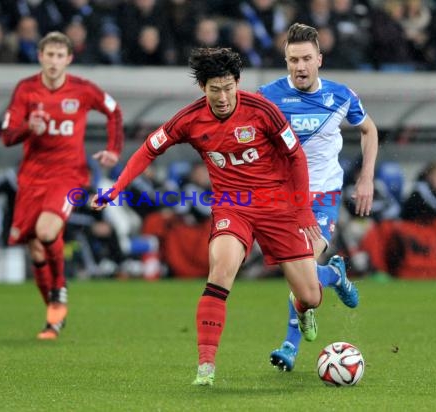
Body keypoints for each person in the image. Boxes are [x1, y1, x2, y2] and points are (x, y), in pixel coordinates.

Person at [91, 47, 322, 386]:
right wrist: (117, 188)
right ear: (203, 87)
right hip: (232, 206)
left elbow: (296, 155)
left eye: (229, 87)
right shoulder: (189, 118)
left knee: (310, 295)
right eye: (215, 89)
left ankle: (303, 309)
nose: (224, 96)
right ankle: (206, 367)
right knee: (221, 271)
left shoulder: (263, 111)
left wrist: (302, 209)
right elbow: (148, 149)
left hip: (277, 205)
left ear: (237, 83)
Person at [258, 23, 378, 372]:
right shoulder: (268, 96)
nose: (299, 66)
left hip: (322, 195)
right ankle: (336, 276)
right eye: (293, 59)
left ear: (319, 60)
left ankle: (289, 347)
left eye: (306, 58)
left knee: (303, 267)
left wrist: (366, 176)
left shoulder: (341, 96)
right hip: (282, 199)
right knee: (303, 276)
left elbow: (369, 129)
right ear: (286, 61)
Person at [0, 31, 124, 340]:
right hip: (31, 178)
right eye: (49, 55)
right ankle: (53, 317)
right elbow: (7, 136)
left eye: (60, 56)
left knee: (45, 232)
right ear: (40, 57)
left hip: (69, 174)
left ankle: (59, 290)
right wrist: (29, 127)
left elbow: (113, 110)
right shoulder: (26, 90)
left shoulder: (82, 90)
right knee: (35, 248)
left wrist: (114, 149)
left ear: (68, 59)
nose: (54, 61)